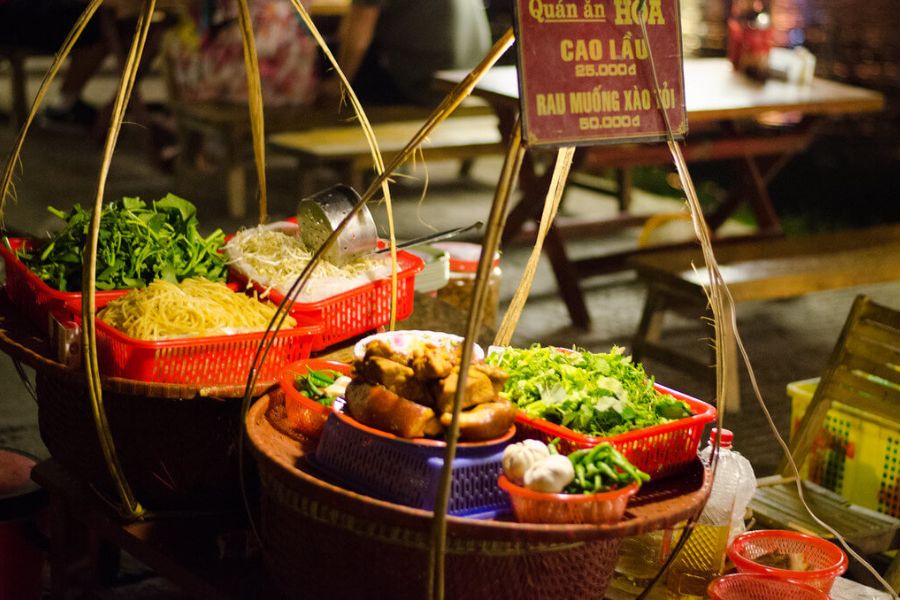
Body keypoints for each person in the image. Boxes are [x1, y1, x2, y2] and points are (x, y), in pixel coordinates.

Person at [319, 0, 492, 107]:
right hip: (471, 76)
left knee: (321, 59)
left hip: (427, 83)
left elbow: (358, 37)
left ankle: (324, 147)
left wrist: (337, 86)